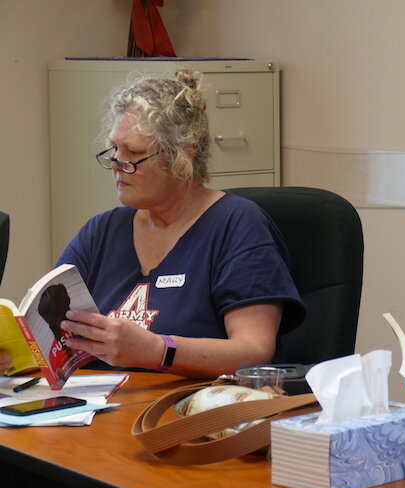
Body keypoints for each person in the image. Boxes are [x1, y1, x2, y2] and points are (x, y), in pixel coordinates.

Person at [55, 69, 304, 378]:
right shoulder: (100, 232)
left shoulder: (237, 225)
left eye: (134, 152)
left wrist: (158, 351)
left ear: (183, 156)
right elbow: (49, 329)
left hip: (193, 409)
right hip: (100, 408)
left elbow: (254, 351)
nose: (117, 164)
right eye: (114, 149)